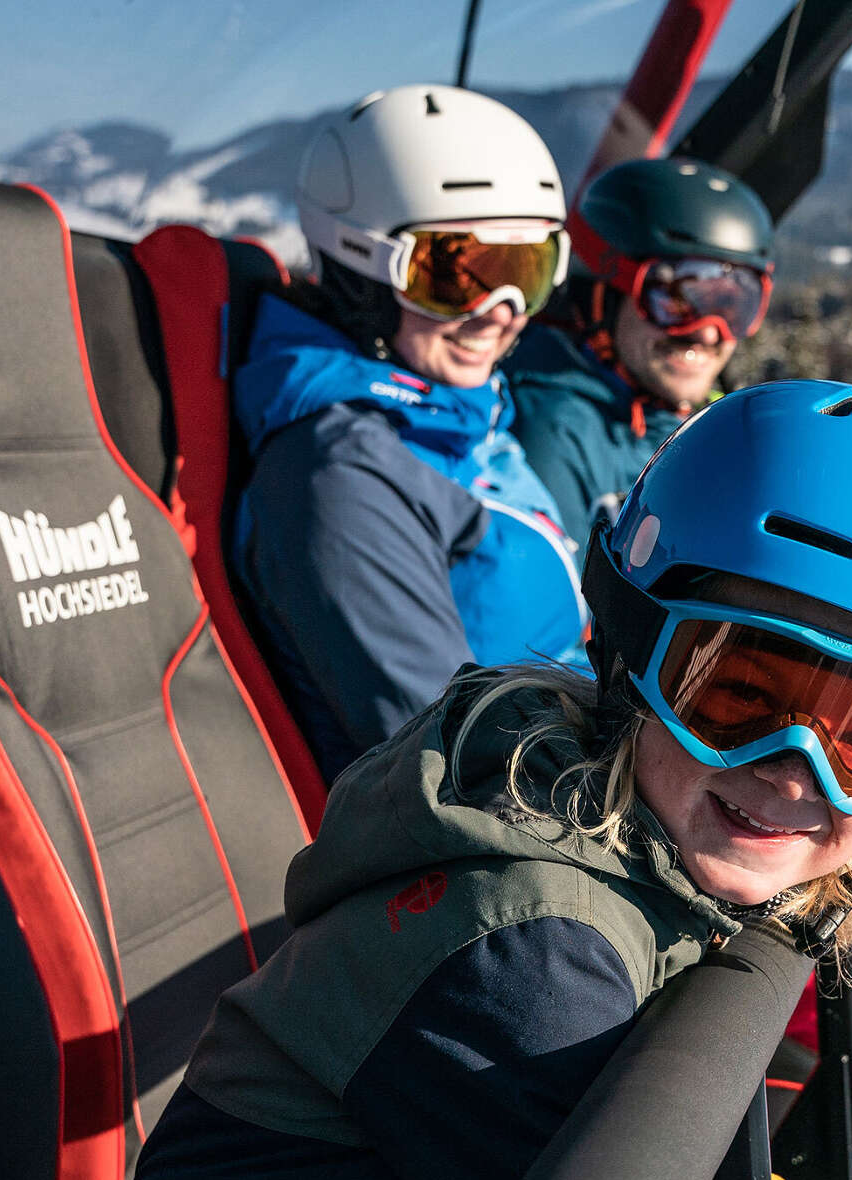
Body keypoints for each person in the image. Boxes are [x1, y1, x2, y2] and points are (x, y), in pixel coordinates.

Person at [90, 380, 852, 1180]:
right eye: (738, 693)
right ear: (629, 653)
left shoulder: (647, 857)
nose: (792, 773)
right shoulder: (518, 953)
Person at [502, 155, 852, 1180]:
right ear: (607, 286)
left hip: (725, 708)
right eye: (683, 292)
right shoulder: (572, 428)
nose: (710, 327)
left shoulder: (698, 412)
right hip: (680, 727)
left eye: (737, 297)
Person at [229, 84, 587, 780]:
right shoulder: (341, 476)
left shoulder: (455, 410)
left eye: (526, 271)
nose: (501, 313)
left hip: (576, 758)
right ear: (360, 265)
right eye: (455, 275)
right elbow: (451, 762)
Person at [507, 155, 775, 537]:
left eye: (734, 306)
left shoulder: (713, 424)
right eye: (675, 300)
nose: (708, 332)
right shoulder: (553, 434)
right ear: (603, 297)